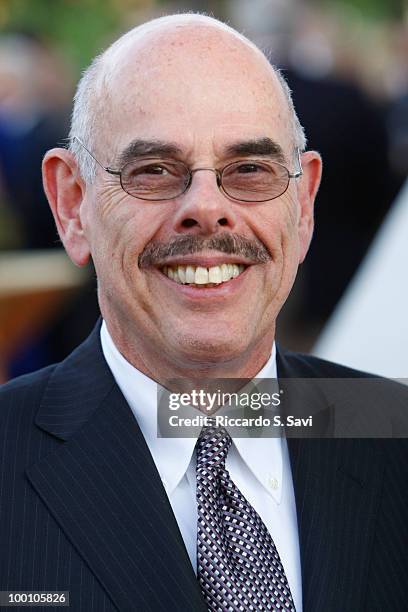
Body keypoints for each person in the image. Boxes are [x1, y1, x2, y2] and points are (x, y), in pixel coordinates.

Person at [0, 14, 407, 612]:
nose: (207, 210)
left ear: (303, 206)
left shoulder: (392, 427)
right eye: (154, 171)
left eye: (249, 170)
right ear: (72, 203)